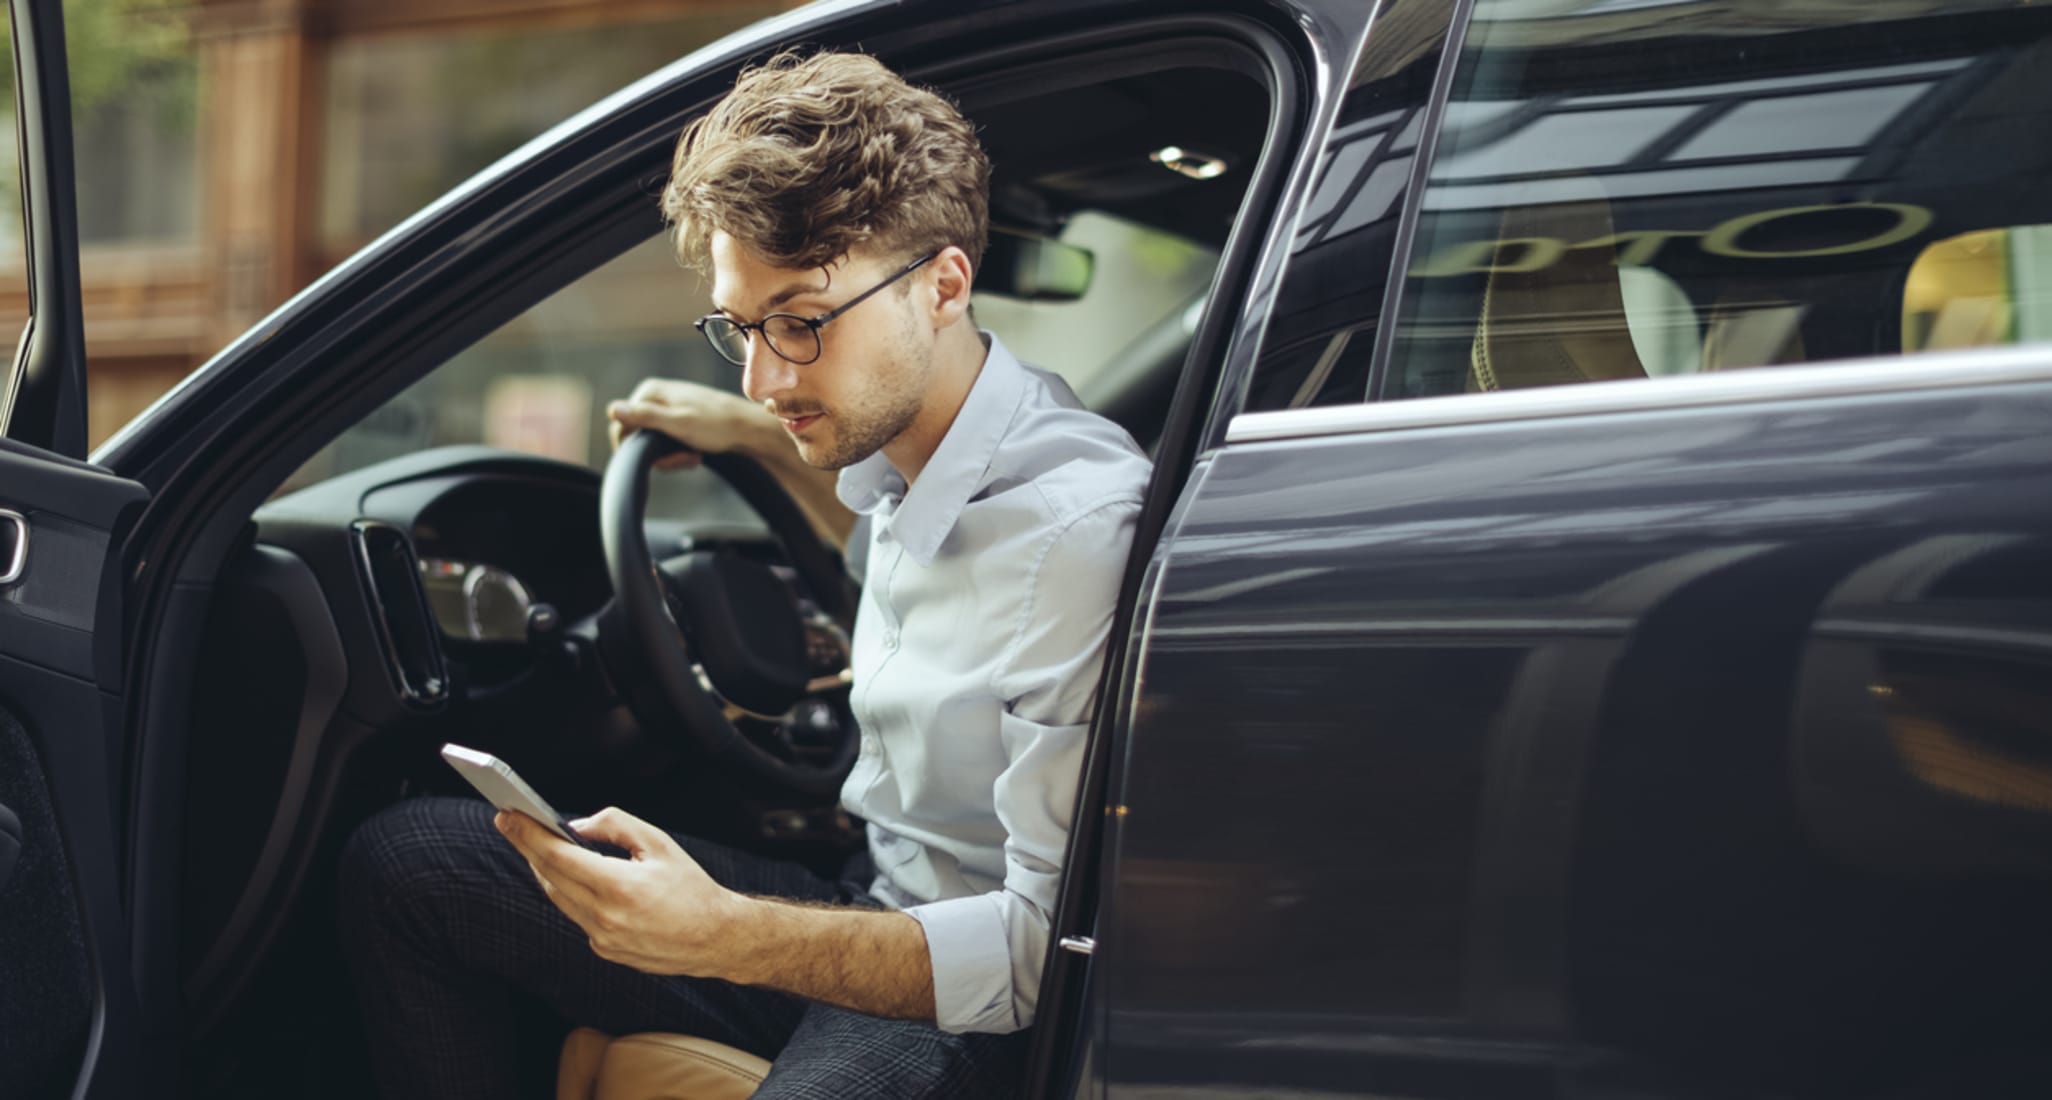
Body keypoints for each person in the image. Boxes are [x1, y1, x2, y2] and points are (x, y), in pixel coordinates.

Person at [338, 50, 1152, 1099]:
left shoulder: (1074, 534)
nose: (767, 375)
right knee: (411, 868)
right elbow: (881, 557)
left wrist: (726, 934)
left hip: (977, 989)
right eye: (739, 326)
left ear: (945, 285)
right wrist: (756, 440)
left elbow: (1050, 953)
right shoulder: (919, 448)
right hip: (871, 894)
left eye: (802, 320)